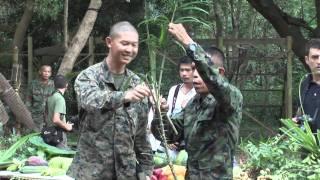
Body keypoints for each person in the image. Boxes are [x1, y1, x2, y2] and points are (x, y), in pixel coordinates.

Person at [152, 23, 243, 179]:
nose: (194, 75)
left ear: (220, 73)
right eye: (193, 69)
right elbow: (168, 135)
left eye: (199, 70)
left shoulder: (230, 99)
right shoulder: (193, 104)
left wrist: (189, 43)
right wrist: (160, 113)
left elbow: (216, 83)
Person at [68, 21, 153, 180]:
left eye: (134, 45)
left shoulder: (137, 83)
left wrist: (146, 170)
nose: (130, 49)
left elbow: (141, 134)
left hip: (126, 172)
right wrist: (124, 96)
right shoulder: (89, 76)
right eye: (125, 43)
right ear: (109, 42)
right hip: (92, 171)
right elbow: (90, 100)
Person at [294, 39, 320, 132]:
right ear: (307, 60)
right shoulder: (303, 85)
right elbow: (299, 113)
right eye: (315, 57)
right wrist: (295, 121)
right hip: (309, 144)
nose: (319, 61)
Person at [44, 75, 73, 148]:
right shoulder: (60, 99)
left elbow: (46, 116)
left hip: (49, 132)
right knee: (61, 157)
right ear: (66, 85)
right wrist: (67, 126)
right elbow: (56, 120)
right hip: (58, 134)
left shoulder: (50, 97)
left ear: (54, 85)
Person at [26, 65, 55, 131]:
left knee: (50, 133)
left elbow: (56, 99)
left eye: (48, 72)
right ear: (40, 72)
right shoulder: (33, 84)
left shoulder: (53, 84)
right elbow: (29, 99)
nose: (46, 73)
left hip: (49, 114)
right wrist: (28, 112)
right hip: (36, 113)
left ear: (50, 73)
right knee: (36, 132)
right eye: (44, 71)